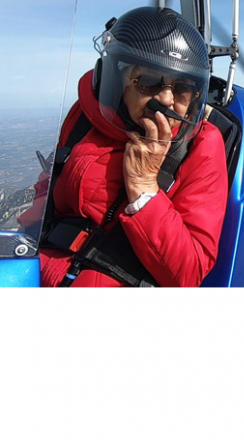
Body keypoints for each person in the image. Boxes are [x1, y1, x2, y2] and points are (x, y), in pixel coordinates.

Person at [37, 6, 228, 287]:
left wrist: (144, 186)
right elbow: (47, 192)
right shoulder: (86, 116)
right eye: (149, 81)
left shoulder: (200, 146)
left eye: (181, 88)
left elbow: (189, 274)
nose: (164, 98)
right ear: (117, 80)